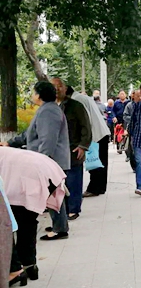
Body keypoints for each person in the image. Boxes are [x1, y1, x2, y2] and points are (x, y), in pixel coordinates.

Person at [1, 81, 71, 241]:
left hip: (49, 161)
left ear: (39, 94)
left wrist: (41, 161)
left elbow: (48, 140)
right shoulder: (45, 110)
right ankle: (59, 225)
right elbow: (29, 134)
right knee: (52, 193)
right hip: (45, 160)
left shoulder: (49, 112)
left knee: (52, 192)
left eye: (33, 92)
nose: (32, 95)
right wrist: (10, 143)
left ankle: (60, 229)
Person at [0, 147, 67, 287]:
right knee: (26, 220)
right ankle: (29, 264)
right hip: (43, 168)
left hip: (29, 176)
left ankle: (14, 270)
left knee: (5, 224)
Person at [52, 79, 92, 222]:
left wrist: (83, 146)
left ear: (65, 88)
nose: (57, 89)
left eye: (60, 86)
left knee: (73, 180)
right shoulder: (49, 107)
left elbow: (86, 127)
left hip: (73, 148)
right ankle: (60, 209)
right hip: (55, 151)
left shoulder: (75, 106)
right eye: (53, 87)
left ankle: (73, 209)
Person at [70, 88, 112, 198]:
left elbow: (84, 119)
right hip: (100, 131)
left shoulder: (76, 100)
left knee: (95, 162)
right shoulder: (83, 98)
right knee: (102, 162)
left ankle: (94, 188)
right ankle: (100, 187)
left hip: (95, 134)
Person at [123, 90, 141, 163]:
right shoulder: (129, 105)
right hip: (133, 131)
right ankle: (134, 164)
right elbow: (125, 116)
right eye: (137, 95)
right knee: (133, 149)